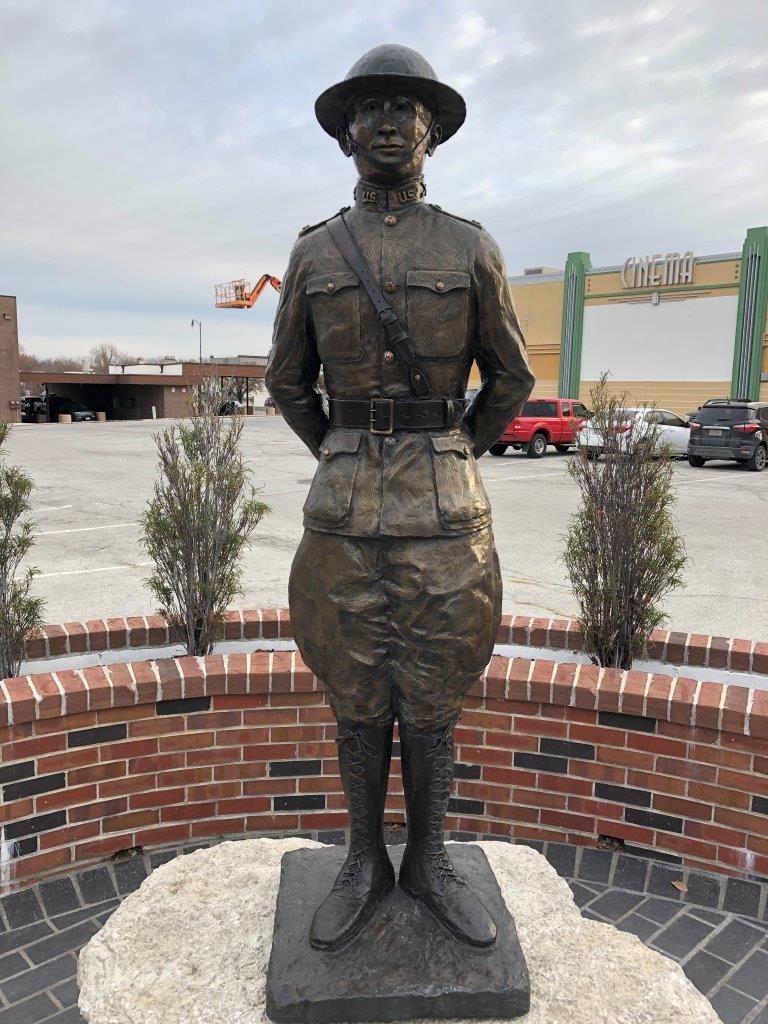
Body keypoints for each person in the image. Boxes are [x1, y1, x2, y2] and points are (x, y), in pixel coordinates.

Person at [266, 43, 534, 952]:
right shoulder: (312, 253)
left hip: (447, 517)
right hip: (341, 516)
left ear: (433, 131)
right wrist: (345, 451)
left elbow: (509, 375)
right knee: (353, 696)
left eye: (404, 109)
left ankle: (430, 859)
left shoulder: (470, 248)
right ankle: (360, 860)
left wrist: (448, 450)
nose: (387, 122)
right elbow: (287, 380)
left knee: (432, 700)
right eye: (370, 108)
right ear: (346, 131)